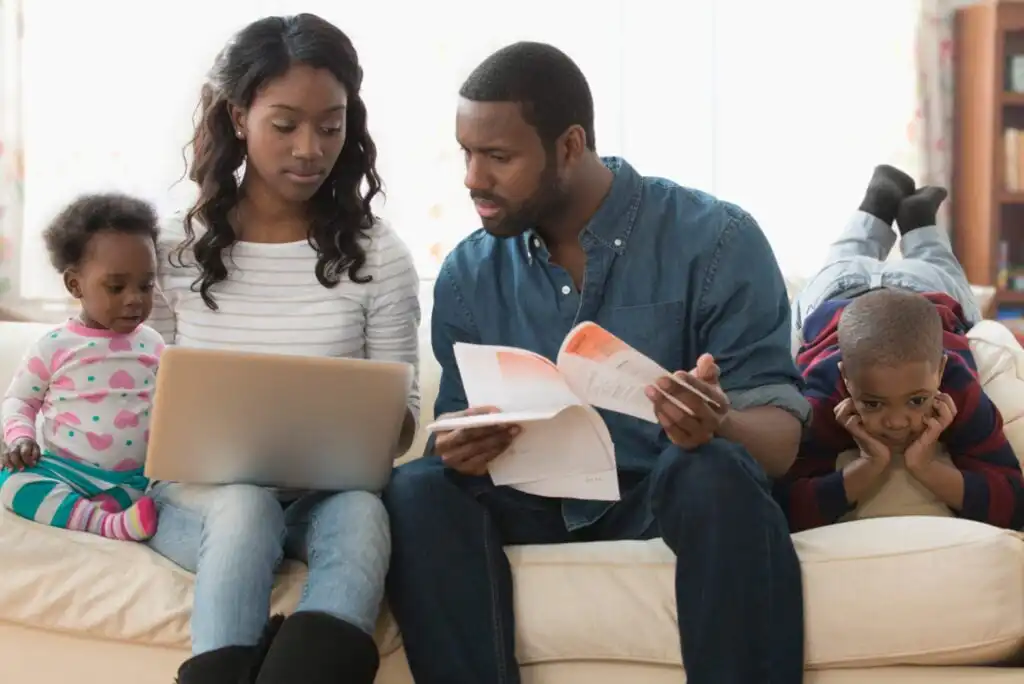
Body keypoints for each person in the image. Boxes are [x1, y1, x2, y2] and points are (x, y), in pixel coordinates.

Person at [384, 41, 809, 684]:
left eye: (498, 157)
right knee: (417, 489)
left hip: (663, 501)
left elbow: (779, 446)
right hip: (529, 502)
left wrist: (718, 422)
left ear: (570, 145)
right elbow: (452, 435)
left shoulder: (717, 239)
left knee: (716, 469)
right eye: (467, 153)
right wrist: (461, 446)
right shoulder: (468, 274)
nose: (473, 178)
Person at [143, 14, 420, 684]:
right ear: (240, 117)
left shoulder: (378, 254)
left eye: (332, 124)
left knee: (360, 513)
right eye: (286, 124)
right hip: (198, 502)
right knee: (244, 504)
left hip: (325, 495)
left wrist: (369, 422)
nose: (310, 148)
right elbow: (137, 393)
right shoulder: (172, 246)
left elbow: (403, 421)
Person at [775, 165, 1024, 533]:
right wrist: (868, 467)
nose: (895, 423)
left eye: (917, 400)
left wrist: (926, 467)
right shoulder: (825, 392)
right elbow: (777, 509)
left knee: (852, 255)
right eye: (873, 403)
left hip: (857, 289)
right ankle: (915, 217)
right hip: (865, 294)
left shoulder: (956, 382)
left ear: (941, 369)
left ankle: (883, 206)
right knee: (935, 263)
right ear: (845, 376)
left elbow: (1016, 506)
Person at [0, 193, 163, 541]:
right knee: (11, 483)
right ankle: (105, 522)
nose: (135, 298)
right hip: (67, 471)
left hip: (133, 480)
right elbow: (19, 401)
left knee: (163, 493)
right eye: (116, 287)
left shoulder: (154, 344)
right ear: (75, 284)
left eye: (146, 285)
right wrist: (21, 438)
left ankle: (96, 512)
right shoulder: (54, 345)